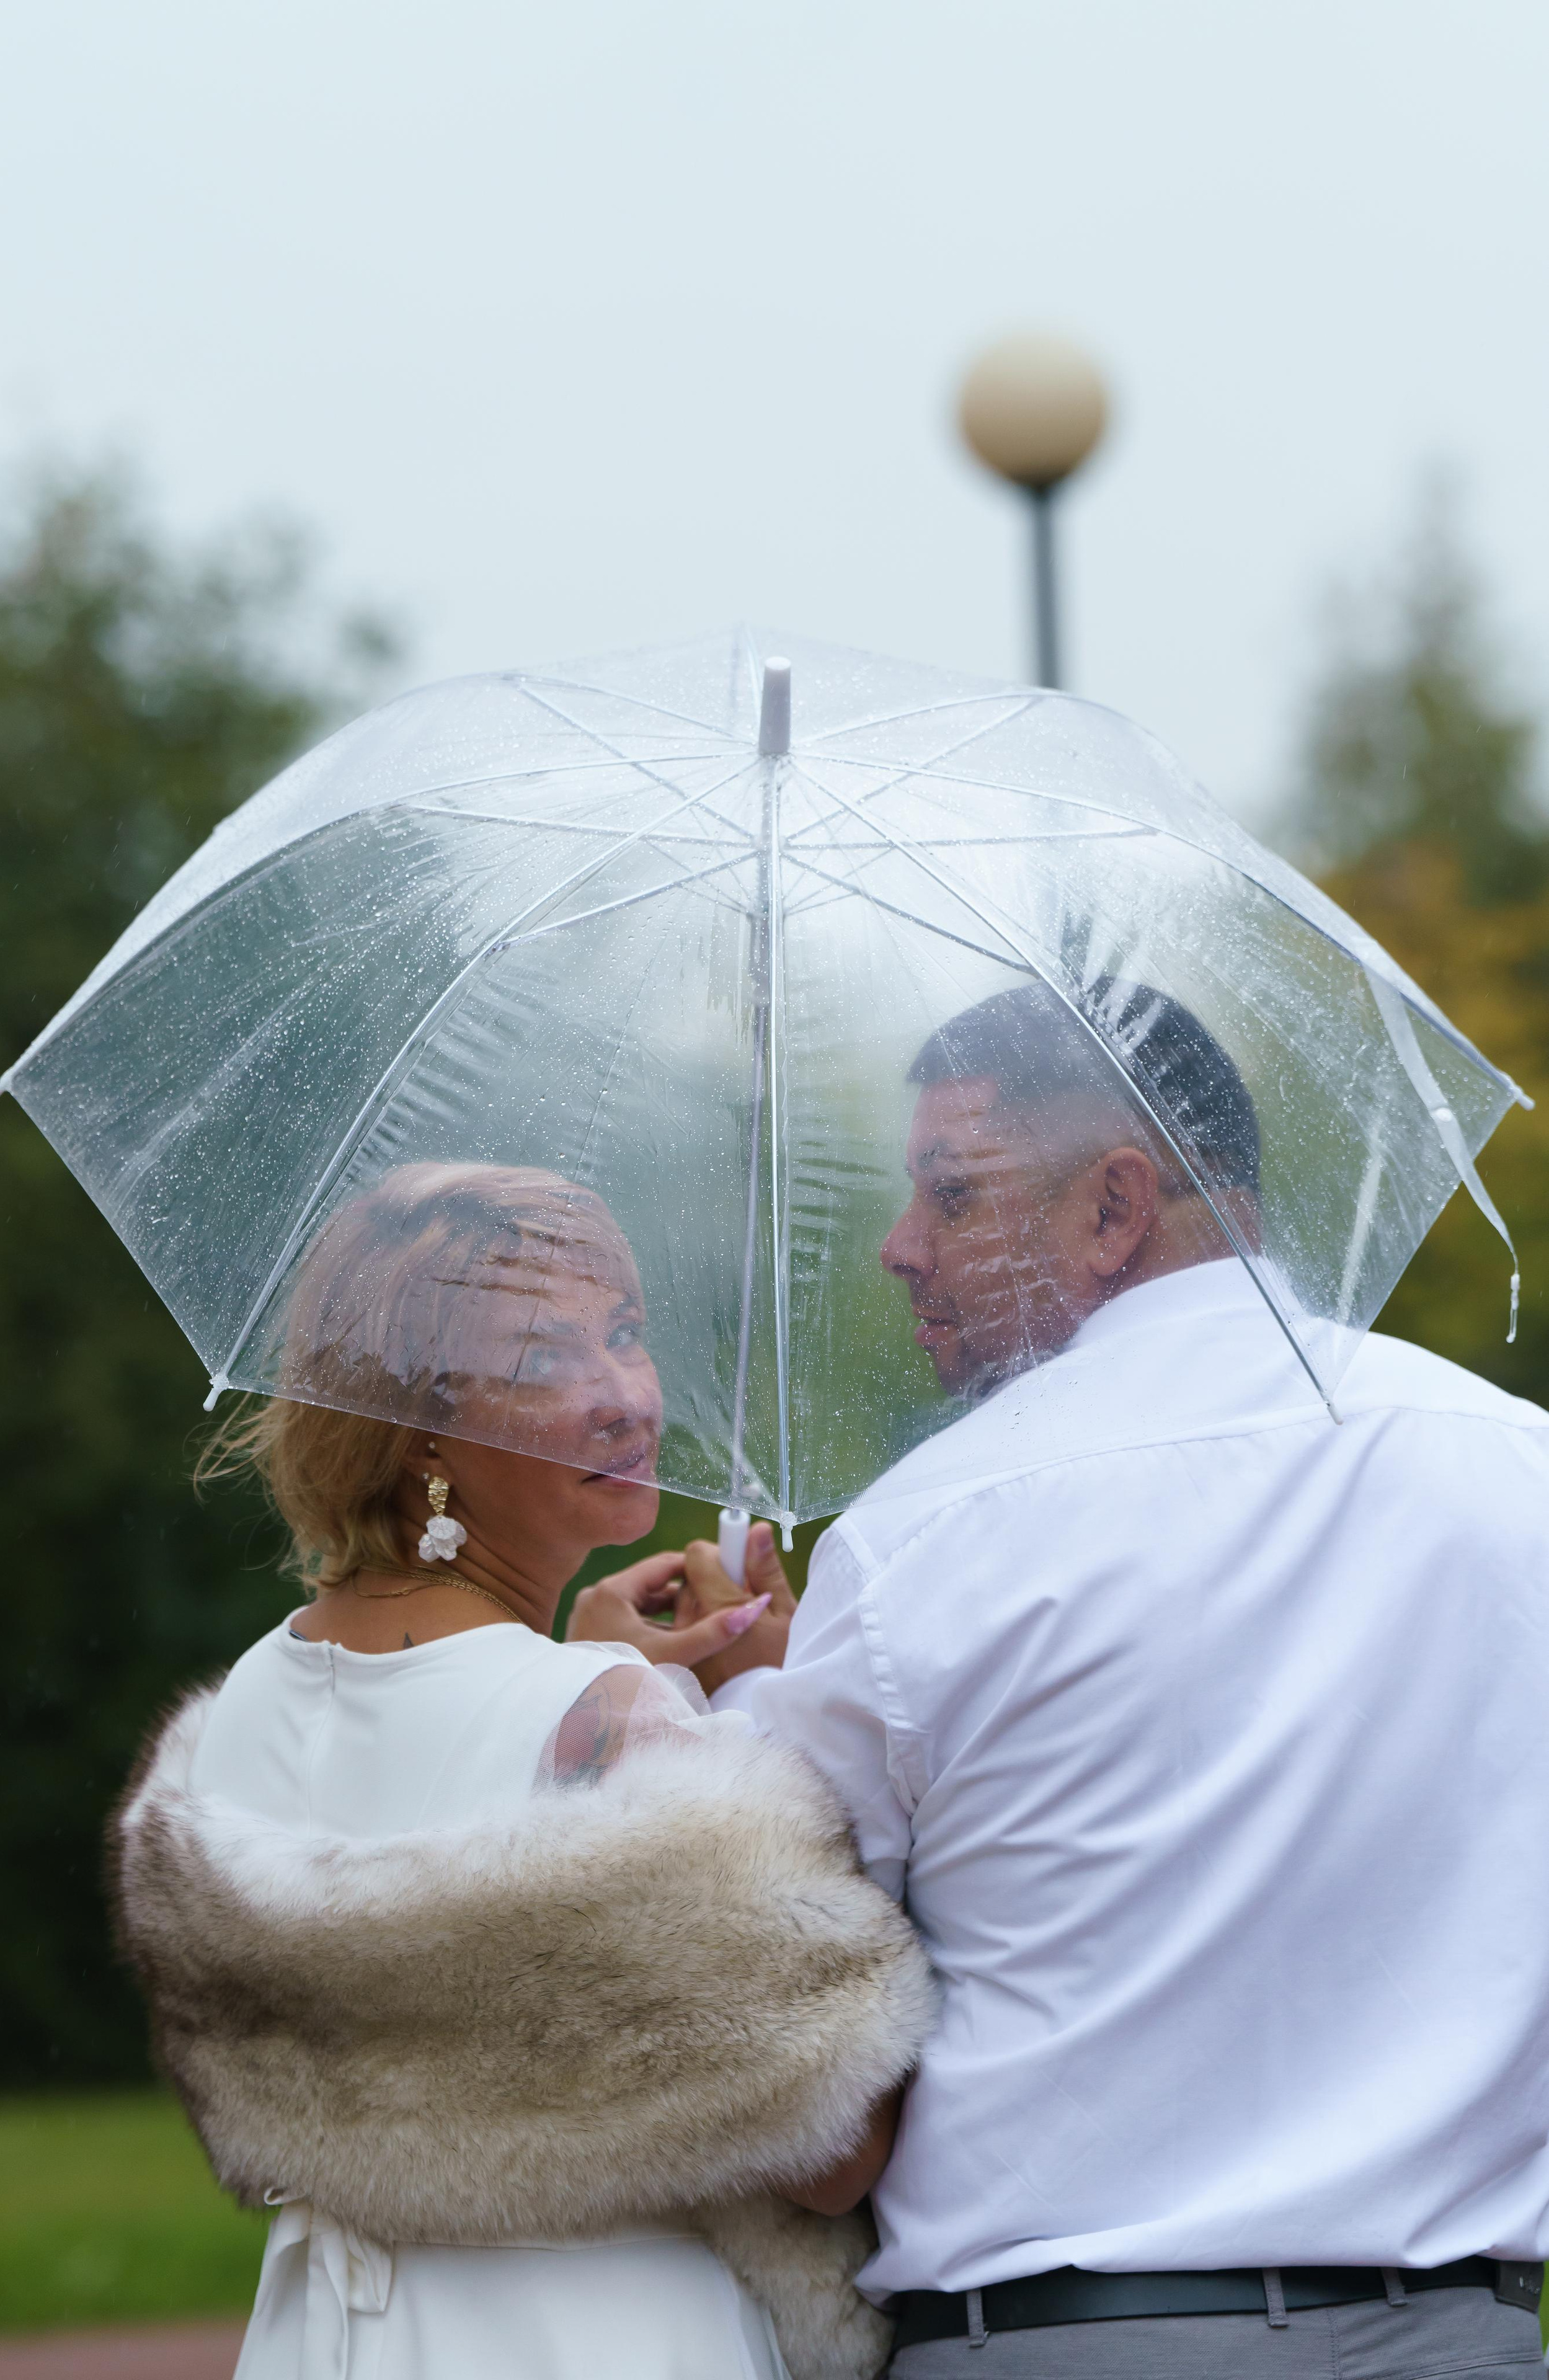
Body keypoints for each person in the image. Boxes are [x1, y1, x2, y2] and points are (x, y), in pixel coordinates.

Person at [574, 979, 1549, 2379]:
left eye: (951, 1195)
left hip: (1064, 2337)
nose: (898, 1249)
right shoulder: (1513, 1465)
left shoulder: (928, 1532)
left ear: (1112, 1206)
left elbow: (797, 2036)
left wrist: (689, 1718)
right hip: (1466, 2339)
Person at [113, 1161, 933, 2380]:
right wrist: (774, 1720)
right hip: (595, 2331)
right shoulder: (606, 1718)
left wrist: (596, 1682)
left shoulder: (241, 1707)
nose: (621, 1395)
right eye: (542, 1358)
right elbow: (835, 2147)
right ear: (421, 1427)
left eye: (625, 1332)